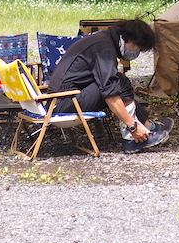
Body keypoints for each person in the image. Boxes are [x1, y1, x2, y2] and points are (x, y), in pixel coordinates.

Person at [47, 19, 172, 153]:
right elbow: (109, 90)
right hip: (63, 103)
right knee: (119, 83)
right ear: (130, 39)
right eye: (138, 49)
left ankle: (146, 126)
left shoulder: (104, 40)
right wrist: (132, 127)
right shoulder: (105, 49)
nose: (136, 54)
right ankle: (132, 137)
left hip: (64, 99)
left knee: (118, 81)